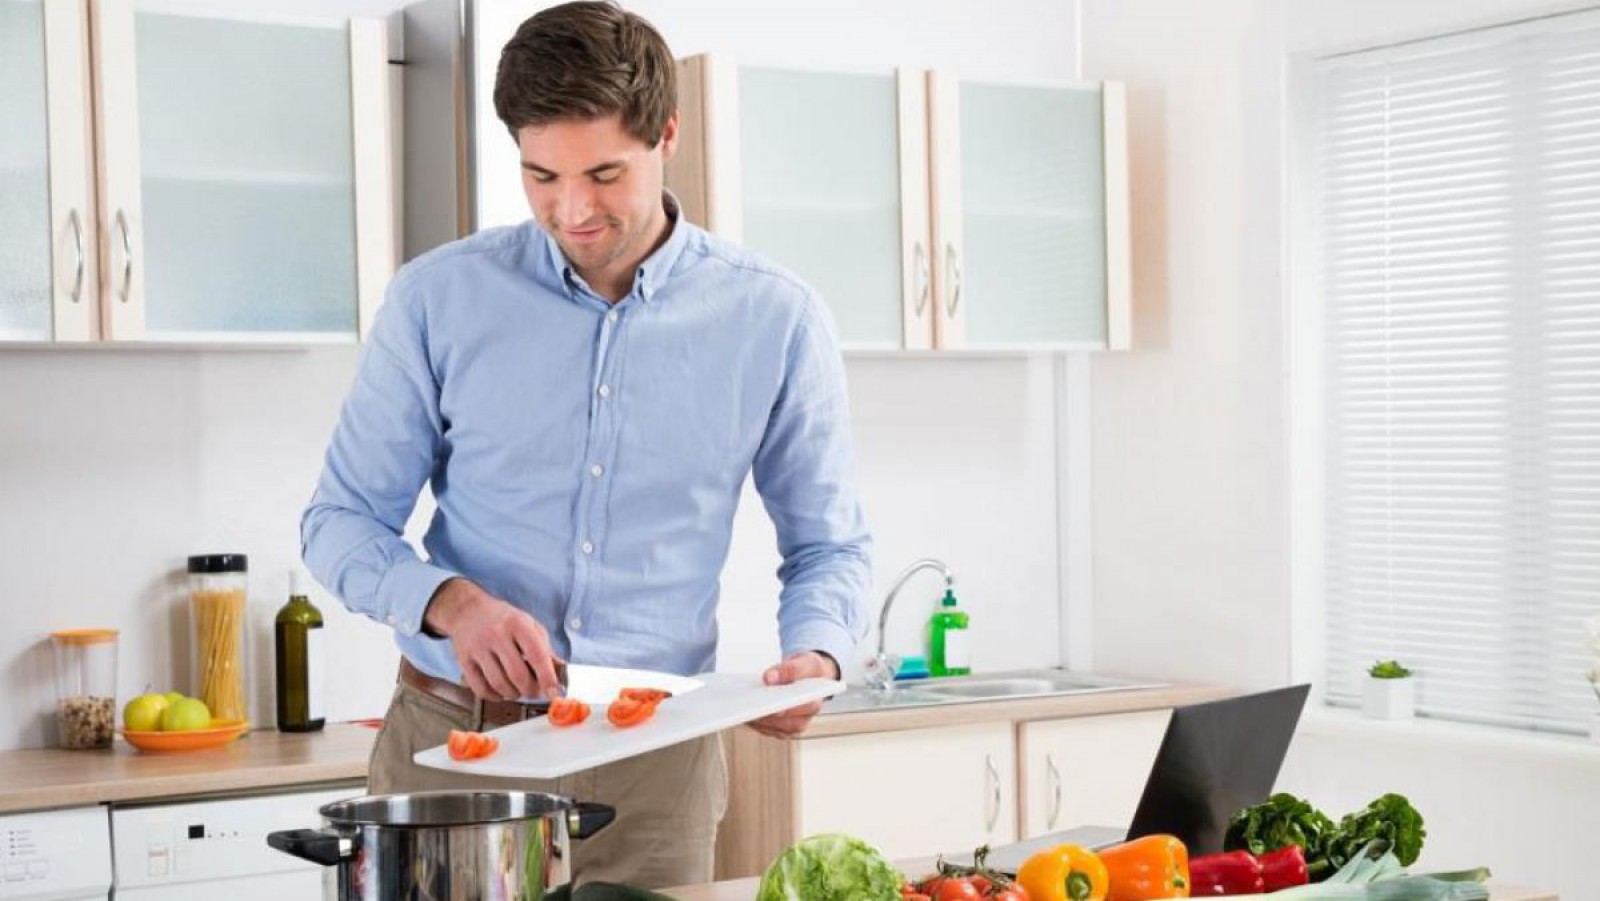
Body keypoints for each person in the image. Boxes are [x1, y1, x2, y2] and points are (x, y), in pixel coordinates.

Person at [300, 0, 872, 889]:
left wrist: (820, 653)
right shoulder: (436, 300)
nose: (572, 210)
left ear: (666, 133)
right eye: (540, 176)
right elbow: (339, 521)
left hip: (658, 764)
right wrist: (451, 602)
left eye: (604, 174)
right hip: (458, 746)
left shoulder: (775, 318)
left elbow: (829, 542)